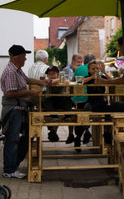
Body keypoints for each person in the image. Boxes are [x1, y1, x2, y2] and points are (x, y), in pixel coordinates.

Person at [1, 45, 49, 178]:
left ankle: (13, 166)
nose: (25, 58)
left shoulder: (17, 69)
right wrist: (30, 92)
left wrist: (43, 83)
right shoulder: (11, 71)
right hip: (13, 109)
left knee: (26, 137)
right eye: (23, 56)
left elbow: (27, 80)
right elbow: (9, 93)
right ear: (16, 57)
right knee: (12, 140)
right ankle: (9, 170)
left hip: (20, 108)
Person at [43, 66, 73, 142]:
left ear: (58, 74)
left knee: (68, 99)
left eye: (53, 73)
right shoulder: (47, 81)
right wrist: (56, 80)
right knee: (46, 100)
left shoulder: (62, 80)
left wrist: (60, 80)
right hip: (51, 102)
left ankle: (67, 116)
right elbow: (49, 83)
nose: (51, 76)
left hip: (61, 100)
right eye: (49, 74)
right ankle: (54, 117)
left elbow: (67, 82)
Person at [72, 54, 96, 151]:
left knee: (82, 115)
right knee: (87, 113)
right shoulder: (95, 70)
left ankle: (79, 136)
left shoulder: (79, 68)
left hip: (77, 99)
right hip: (89, 99)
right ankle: (86, 133)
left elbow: (73, 80)